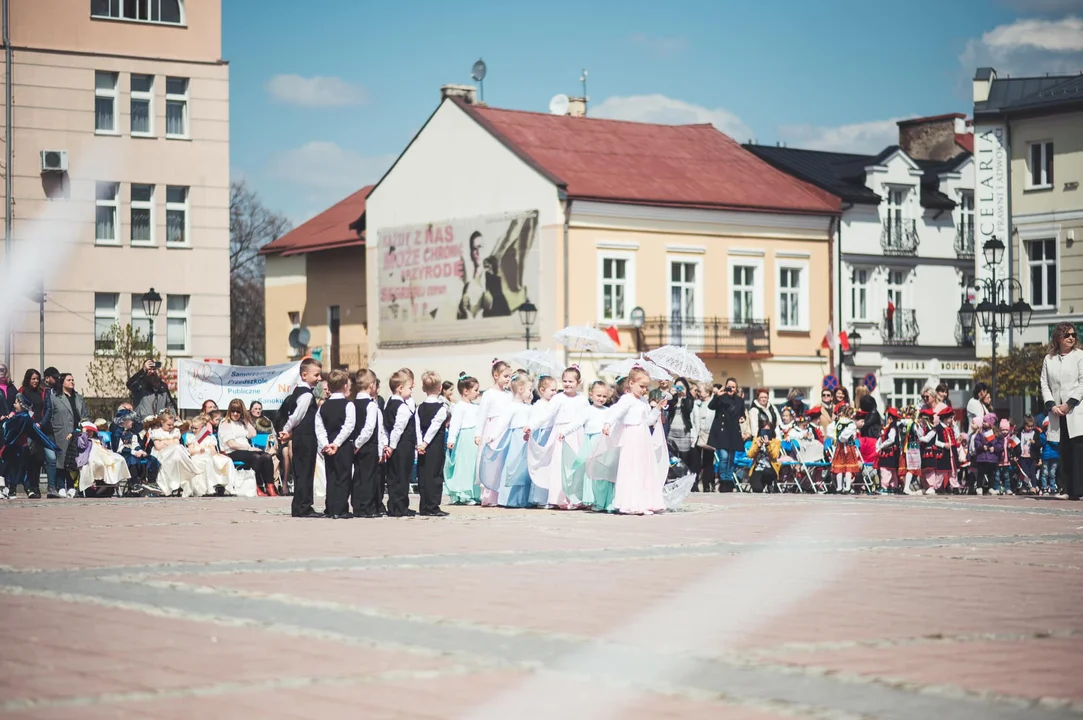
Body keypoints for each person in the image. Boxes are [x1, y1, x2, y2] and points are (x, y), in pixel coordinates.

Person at [589, 367, 669, 515]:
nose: (644, 390)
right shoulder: (627, 399)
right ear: (631, 383)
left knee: (644, 469)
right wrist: (607, 423)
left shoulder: (644, 401)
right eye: (641, 386)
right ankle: (630, 503)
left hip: (643, 437)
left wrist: (657, 408)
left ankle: (645, 502)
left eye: (646, 387)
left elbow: (649, 421)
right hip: (631, 437)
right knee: (632, 469)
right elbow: (616, 412)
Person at [527, 366, 589, 509]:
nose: (567, 384)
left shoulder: (583, 400)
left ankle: (576, 498)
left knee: (576, 466)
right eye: (565, 381)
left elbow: (586, 418)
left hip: (578, 434)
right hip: (561, 434)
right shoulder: (558, 398)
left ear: (578, 382)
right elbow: (546, 415)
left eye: (571, 381)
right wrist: (532, 425)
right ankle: (559, 498)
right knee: (561, 466)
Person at [480, 372, 537, 508]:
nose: (531, 393)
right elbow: (502, 423)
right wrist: (493, 436)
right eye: (530, 390)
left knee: (524, 469)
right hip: (516, 440)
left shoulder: (528, 407)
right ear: (521, 389)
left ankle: (522, 498)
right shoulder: (511, 406)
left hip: (527, 440)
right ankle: (509, 498)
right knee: (513, 466)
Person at [1041, 322, 1083, 500]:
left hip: (1076, 409)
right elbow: (1044, 384)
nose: (1071, 338)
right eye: (1067, 335)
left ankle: (1079, 490)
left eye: (1073, 334)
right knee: (1063, 449)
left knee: (1078, 450)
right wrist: (1052, 405)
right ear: (1058, 337)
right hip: (1057, 411)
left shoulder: (1080, 356)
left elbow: (1082, 382)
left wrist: (1069, 404)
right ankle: (1065, 489)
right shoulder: (1048, 359)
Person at [279, 358, 323, 517]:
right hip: (305, 437)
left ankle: (298, 506)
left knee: (301, 472)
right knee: (305, 472)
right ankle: (304, 506)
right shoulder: (306, 395)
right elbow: (297, 416)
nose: (319, 378)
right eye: (316, 375)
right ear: (304, 375)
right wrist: (286, 429)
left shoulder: (298, 392)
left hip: (299, 437)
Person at [315, 370, 356, 519]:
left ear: (329, 387)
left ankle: (330, 507)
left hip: (328, 446)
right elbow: (349, 426)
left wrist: (326, 443)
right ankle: (341, 508)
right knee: (343, 477)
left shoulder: (322, 407)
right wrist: (336, 444)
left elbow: (319, 427)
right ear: (345, 386)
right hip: (343, 446)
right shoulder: (349, 405)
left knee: (330, 476)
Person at [220, 398, 277, 496]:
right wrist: (249, 448)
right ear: (229, 411)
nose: (235, 414)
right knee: (255, 457)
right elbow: (231, 444)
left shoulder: (241, 423)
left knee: (266, 456)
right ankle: (256, 486)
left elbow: (253, 434)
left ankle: (270, 486)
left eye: (238, 411)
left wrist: (246, 420)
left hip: (246, 450)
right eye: (233, 411)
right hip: (231, 452)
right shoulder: (225, 423)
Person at [475, 360, 513, 506]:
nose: (508, 379)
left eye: (509, 376)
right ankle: (488, 496)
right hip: (491, 429)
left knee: (502, 462)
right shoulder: (489, 394)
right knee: (491, 461)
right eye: (505, 376)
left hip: (505, 430)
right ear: (496, 375)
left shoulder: (509, 395)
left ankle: (502, 495)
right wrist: (478, 433)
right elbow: (482, 415)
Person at [350, 369, 386, 518]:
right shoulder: (371, 405)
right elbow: (370, 428)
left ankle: (357, 505)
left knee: (358, 476)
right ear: (372, 385)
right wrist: (358, 443)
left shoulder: (352, 404)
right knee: (368, 477)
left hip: (356, 446)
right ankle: (367, 507)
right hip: (367, 445)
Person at [415, 371, 449, 517]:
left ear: (423, 388)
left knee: (423, 475)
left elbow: (417, 426)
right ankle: (433, 506)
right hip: (434, 446)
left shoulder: (419, 408)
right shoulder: (442, 409)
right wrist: (426, 443)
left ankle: (424, 505)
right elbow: (434, 427)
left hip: (421, 446)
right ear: (440, 388)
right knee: (435, 475)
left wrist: (419, 443)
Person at [383, 369, 417, 517]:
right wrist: (391, 446)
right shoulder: (402, 407)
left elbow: (386, 427)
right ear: (400, 388)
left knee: (393, 477)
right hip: (402, 446)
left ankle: (393, 505)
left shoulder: (388, 404)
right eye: (410, 388)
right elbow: (398, 429)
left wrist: (387, 444)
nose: (411, 391)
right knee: (402, 477)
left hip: (393, 445)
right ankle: (400, 507)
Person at [49, 372, 89, 498]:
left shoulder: (79, 398)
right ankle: (60, 486)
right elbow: (50, 416)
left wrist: (83, 427)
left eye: (73, 380)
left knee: (73, 459)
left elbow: (85, 415)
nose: (72, 382)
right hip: (61, 432)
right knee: (61, 460)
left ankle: (72, 486)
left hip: (76, 432)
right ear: (62, 382)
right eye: (68, 380)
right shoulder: (55, 398)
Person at [444, 373, 481, 505]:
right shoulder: (459, 406)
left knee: (473, 466)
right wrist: (451, 439)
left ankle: (474, 493)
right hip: (464, 439)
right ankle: (464, 494)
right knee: (465, 466)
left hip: (473, 439)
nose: (477, 393)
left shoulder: (475, 406)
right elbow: (455, 424)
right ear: (466, 391)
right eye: (475, 390)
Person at [112, 408, 163, 495]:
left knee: (152, 459)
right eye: (130, 420)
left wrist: (140, 450)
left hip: (134, 454)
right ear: (124, 421)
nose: (132, 422)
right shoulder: (117, 433)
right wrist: (134, 452)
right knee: (132, 459)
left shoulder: (132, 432)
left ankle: (151, 482)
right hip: (123, 455)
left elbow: (135, 443)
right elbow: (118, 448)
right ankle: (134, 483)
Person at [185, 414, 238, 496]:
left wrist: (207, 449)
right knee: (207, 461)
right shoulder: (191, 437)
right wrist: (201, 449)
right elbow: (191, 450)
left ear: (203, 428)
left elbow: (213, 450)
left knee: (227, 460)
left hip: (209, 454)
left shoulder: (209, 437)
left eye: (196, 428)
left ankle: (229, 485)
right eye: (192, 428)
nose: (193, 430)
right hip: (197, 456)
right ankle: (210, 487)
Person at [707, 378, 745, 491]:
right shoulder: (721, 398)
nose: (731, 389)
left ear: (736, 388)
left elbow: (742, 413)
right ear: (725, 387)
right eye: (729, 386)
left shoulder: (739, 400)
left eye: (733, 387)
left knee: (732, 458)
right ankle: (723, 480)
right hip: (722, 432)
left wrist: (743, 417)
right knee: (724, 457)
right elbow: (711, 406)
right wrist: (717, 395)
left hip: (733, 431)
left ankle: (729, 480)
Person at [76, 419, 130, 496]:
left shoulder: (98, 438)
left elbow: (104, 447)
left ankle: (113, 481)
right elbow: (82, 445)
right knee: (97, 463)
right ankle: (101, 484)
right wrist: (84, 433)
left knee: (119, 459)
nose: (90, 433)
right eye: (88, 431)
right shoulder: (82, 438)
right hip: (91, 455)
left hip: (103, 454)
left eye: (91, 431)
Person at [690, 383, 716, 493]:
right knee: (695, 462)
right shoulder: (696, 403)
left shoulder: (714, 403)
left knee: (708, 461)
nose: (698, 393)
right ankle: (694, 484)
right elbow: (692, 419)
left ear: (707, 391)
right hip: (697, 434)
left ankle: (706, 484)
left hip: (709, 435)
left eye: (700, 391)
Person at [830, 403, 861, 493]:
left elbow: (834, 433)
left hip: (839, 447)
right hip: (848, 447)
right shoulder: (851, 424)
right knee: (848, 468)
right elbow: (844, 436)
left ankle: (839, 487)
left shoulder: (838, 422)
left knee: (839, 468)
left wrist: (839, 439)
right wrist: (842, 439)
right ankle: (847, 487)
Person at [972, 413, 1002, 496]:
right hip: (982, 457)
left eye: (985, 421)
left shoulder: (997, 434)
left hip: (992, 458)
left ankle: (990, 487)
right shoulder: (980, 432)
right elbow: (977, 441)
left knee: (991, 474)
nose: (983, 423)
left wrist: (994, 448)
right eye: (983, 421)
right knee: (980, 473)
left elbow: (1000, 444)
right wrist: (982, 446)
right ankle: (979, 487)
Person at [746, 422, 781, 493]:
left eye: (768, 430)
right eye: (764, 430)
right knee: (757, 489)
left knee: (767, 472)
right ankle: (762, 483)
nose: (766, 433)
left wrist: (768, 445)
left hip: (770, 468)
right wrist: (758, 446)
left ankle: (770, 483)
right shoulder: (756, 440)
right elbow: (750, 455)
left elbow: (775, 455)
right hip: (757, 468)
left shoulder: (776, 442)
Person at [876, 407, 901, 493]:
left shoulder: (892, 427)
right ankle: (893, 486)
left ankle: (884, 486)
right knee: (892, 470)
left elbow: (891, 439)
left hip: (889, 452)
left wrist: (881, 446)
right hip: (892, 453)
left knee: (885, 469)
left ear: (890, 418)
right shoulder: (891, 427)